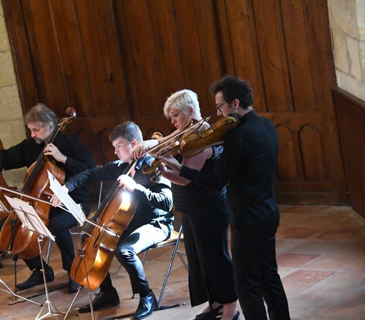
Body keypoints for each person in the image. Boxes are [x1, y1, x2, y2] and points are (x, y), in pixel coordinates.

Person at [159, 76, 290, 320]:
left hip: (248, 219)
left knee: (246, 284)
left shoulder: (239, 136)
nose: (218, 114)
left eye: (220, 107)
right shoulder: (266, 126)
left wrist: (178, 168)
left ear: (235, 104)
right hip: (268, 211)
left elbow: (215, 181)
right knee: (269, 277)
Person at [133, 89, 239, 320]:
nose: (173, 122)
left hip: (208, 206)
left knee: (215, 258)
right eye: (170, 117)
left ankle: (230, 307)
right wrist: (147, 144)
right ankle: (215, 303)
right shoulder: (186, 132)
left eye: (175, 115)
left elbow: (184, 178)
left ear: (191, 111)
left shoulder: (202, 137)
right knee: (200, 260)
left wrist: (161, 169)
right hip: (191, 208)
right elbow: (164, 141)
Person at [55, 121, 174, 320]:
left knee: (124, 250)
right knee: (90, 236)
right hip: (132, 223)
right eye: (114, 147)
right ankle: (108, 293)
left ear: (134, 143)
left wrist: (135, 187)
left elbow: (166, 203)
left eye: (119, 146)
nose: (116, 151)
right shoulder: (121, 167)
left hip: (157, 223)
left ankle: (147, 296)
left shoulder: (154, 166)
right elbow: (90, 173)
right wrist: (68, 187)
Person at [0, 103, 95, 293]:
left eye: (36, 130)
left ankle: (73, 271)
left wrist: (63, 159)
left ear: (51, 126)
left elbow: (91, 170)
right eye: (30, 130)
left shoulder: (71, 145)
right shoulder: (30, 146)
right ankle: (40, 270)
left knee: (57, 224)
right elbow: (3, 155)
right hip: (42, 204)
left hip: (73, 202)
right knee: (8, 226)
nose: (32, 134)